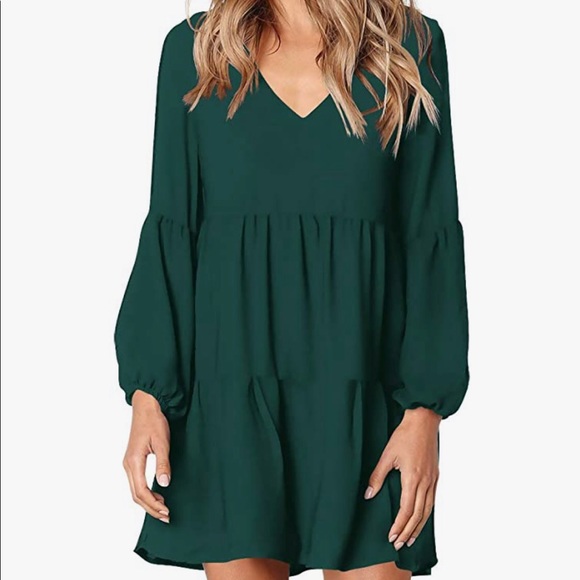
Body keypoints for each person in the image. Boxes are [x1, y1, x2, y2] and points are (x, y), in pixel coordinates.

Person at [114, 1, 469, 578]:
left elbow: (429, 235)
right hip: (231, 405)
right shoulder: (198, 51)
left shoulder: (409, 45)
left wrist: (424, 411)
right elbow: (172, 229)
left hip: (369, 411)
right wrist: (148, 395)